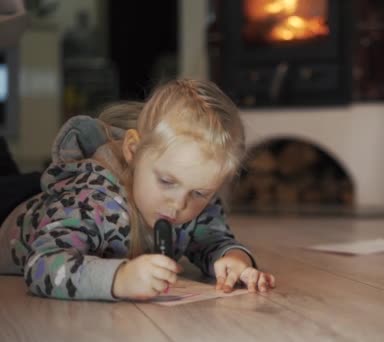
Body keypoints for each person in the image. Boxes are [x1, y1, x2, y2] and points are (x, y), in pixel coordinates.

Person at [0, 79, 276, 301]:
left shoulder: (191, 198)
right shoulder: (91, 201)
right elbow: (42, 265)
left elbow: (212, 240)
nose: (178, 205)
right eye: (167, 181)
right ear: (132, 150)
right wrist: (119, 279)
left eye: (200, 193)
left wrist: (234, 260)